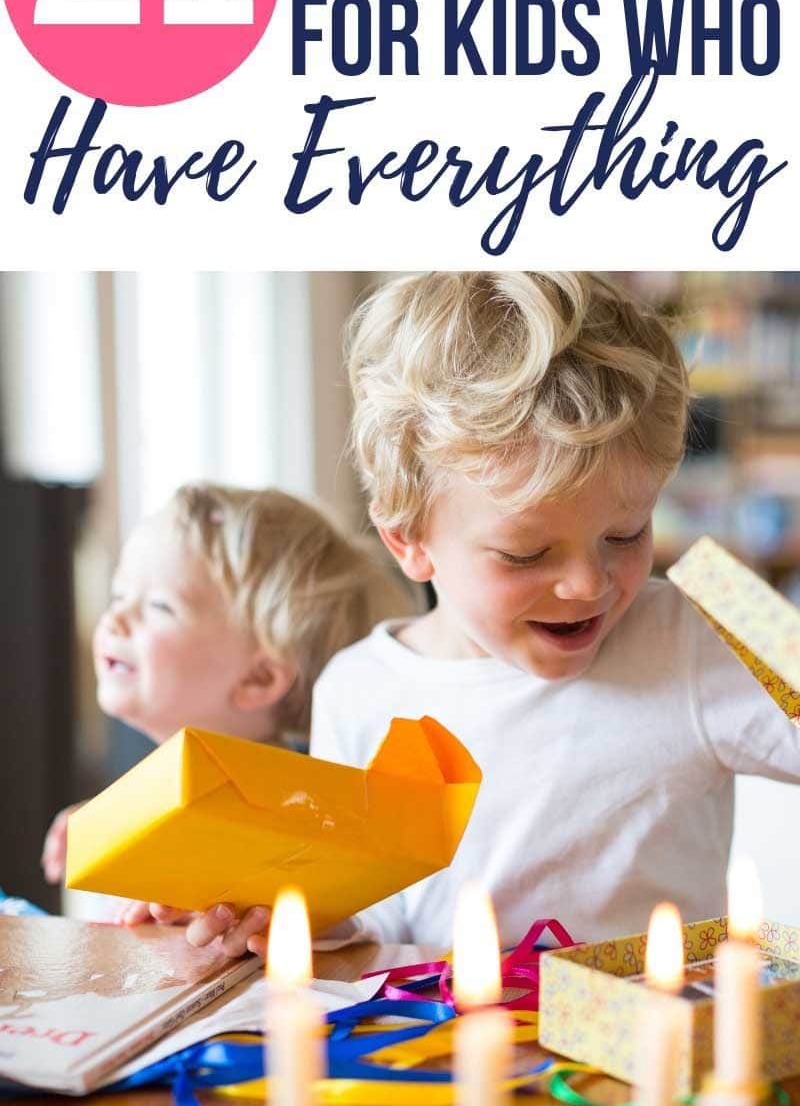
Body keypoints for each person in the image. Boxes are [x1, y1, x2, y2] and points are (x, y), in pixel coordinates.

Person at [310, 271, 800, 948]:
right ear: (409, 541)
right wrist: (304, 918)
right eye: (526, 554)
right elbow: (374, 923)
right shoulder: (357, 689)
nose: (587, 584)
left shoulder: (684, 639)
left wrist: (751, 610)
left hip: (646, 1047)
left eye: (625, 535)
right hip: (434, 1047)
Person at [42, 482, 410, 955]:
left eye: (159, 607)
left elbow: (345, 926)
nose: (114, 621)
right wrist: (102, 829)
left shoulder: (288, 821)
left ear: (258, 677)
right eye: (118, 595)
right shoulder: (146, 791)